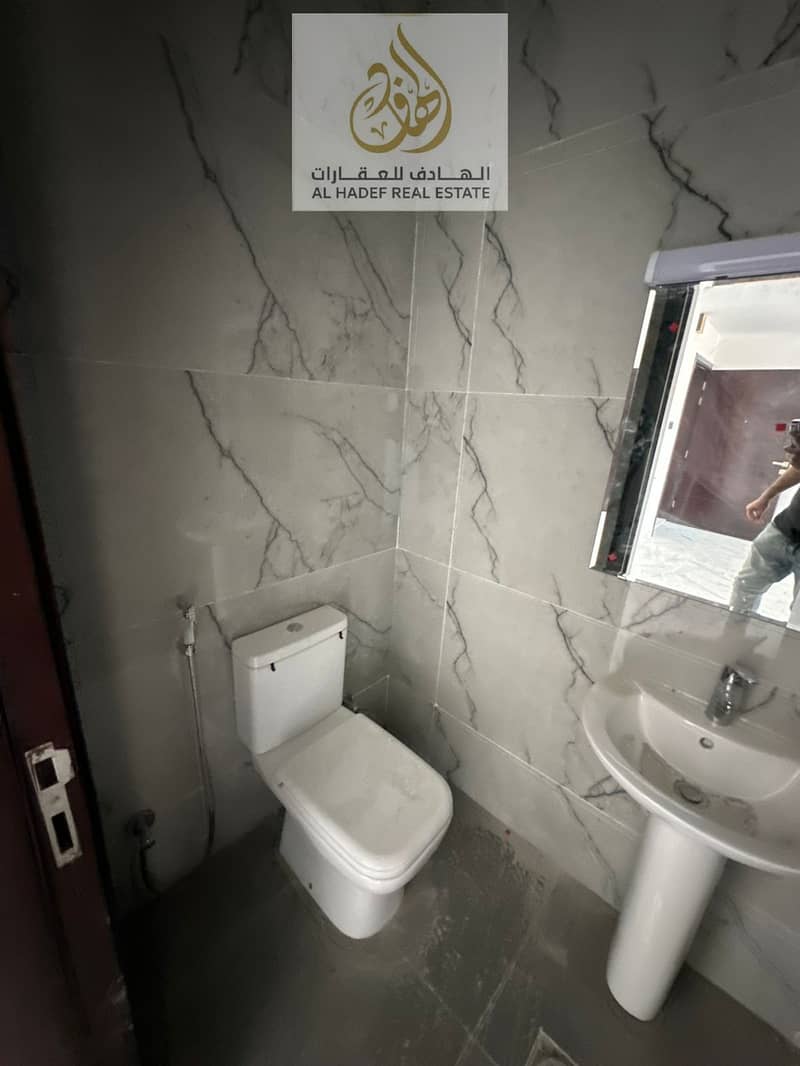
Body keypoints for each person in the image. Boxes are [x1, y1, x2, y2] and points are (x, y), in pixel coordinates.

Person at [730, 453, 800, 615]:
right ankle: (735, 627)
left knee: (798, 618)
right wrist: (766, 496)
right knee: (744, 590)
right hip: (784, 530)